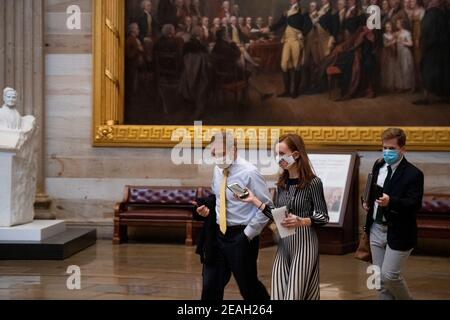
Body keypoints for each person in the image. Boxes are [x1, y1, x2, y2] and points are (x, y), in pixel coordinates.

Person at [238, 134, 329, 300]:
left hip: (305, 244)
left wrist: (303, 221)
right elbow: (276, 215)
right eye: (276, 154)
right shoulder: (282, 183)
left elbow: (323, 216)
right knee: (278, 296)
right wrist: (254, 200)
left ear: (296, 154)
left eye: (282, 153)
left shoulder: (314, 183)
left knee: (293, 296)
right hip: (284, 243)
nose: (278, 158)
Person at [195, 131, 272, 301]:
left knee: (248, 287)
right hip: (217, 235)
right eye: (213, 153)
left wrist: (247, 235)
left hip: (241, 235)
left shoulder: (250, 172)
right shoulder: (218, 169)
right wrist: (207, 210)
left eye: (221, 153)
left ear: (234, 150)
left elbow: (267, 207)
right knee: (210, 286)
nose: (217, 157)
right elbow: (219, 198)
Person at [363, 128, 424, 300]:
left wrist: (391, 201)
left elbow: (414, 204)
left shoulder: (414, 174)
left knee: (390, 276)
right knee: (378, 281)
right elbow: (371, 190)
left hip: (399, 231)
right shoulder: (378, 165)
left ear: (402, 149)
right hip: (375, 228)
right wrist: (365, 201)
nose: (387, 152)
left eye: (392, 148)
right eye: (384, 148)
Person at [262, 0, 307, 99]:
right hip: (287, 40)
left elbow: (308, 25)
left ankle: (295, 91)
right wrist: (269, 28)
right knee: (284, 65)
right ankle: (287, 91)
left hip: (296, 41)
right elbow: (279, 23)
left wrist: (302, 34)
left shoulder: (302, 11)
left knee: (296, 66)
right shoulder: (286, 12)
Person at [413, 0, 450, 104]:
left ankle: (427, 98)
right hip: (440, 48)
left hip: (432, 49)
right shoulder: (440, 12)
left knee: (430, 72)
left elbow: (428, 31)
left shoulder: (433, 13)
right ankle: (440, 96)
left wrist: (425, 44)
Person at [394, 17, 415, 91]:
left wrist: (402, 42)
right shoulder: (397, 33)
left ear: (402, 24)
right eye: (397, 23)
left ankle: (410, 87)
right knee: (400, 69)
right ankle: (402, 86)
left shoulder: (407, 32)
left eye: (398, 23)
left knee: (406, 69)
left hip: (405, 53)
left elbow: (411, 43)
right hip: (399, 52)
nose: (397, 24)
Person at [380, 21, 397, 92]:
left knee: (393, 68)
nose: (388, 29)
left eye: (389, 27)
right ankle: (387, 85)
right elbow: (385, 45)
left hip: (393, 53)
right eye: (387, 27)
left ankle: (393, 85)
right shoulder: (384, 35)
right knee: (387, 69)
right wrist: (392, 42)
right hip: (387, 53)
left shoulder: (394, 34)